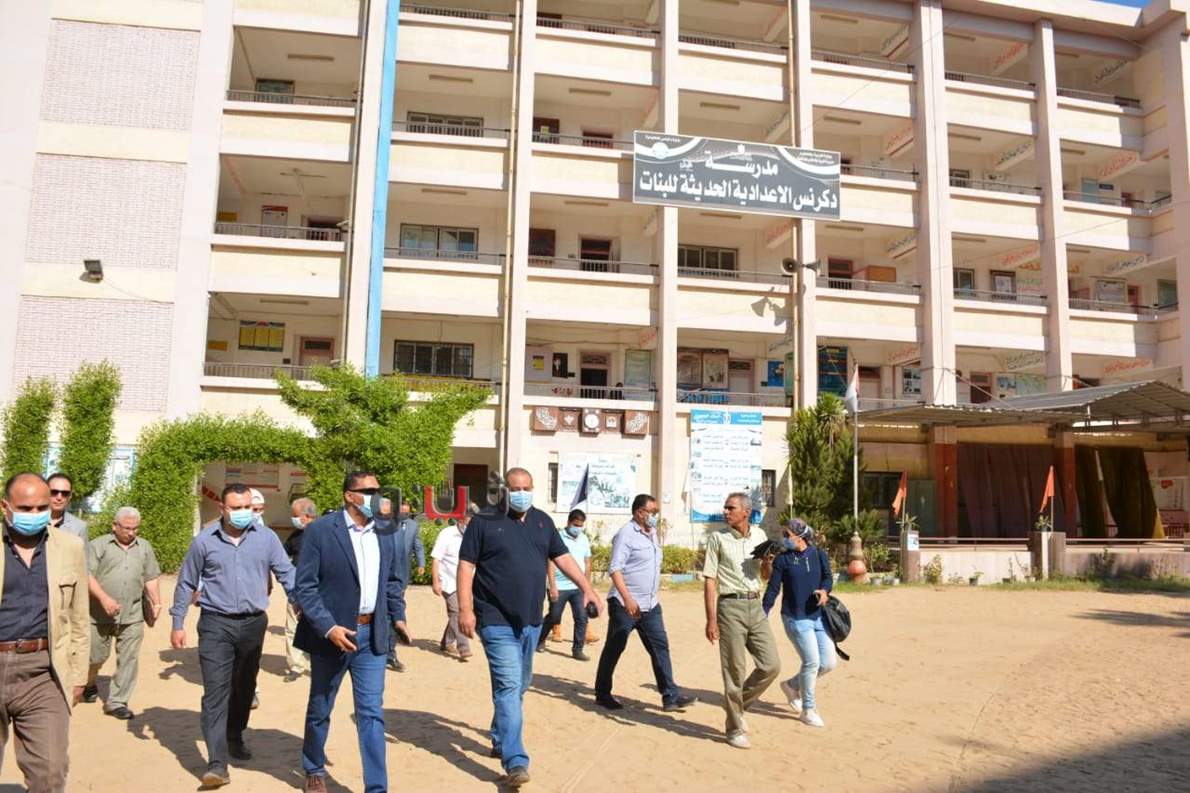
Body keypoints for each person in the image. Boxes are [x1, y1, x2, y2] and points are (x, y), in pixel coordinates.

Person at [457, 467, 604, 788]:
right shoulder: (484, 521)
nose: (521, 493)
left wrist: (588, 588)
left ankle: (499, 736)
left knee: (520, 685)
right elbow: (466, 565)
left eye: (527, 487)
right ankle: (516, 760)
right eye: (515, 488)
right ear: (504, 490)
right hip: (495, 619)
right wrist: (465, 610)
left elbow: (563, 558)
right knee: (509, 686)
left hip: (531, 621)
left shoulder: (542, 521)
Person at [169, 482, 297, 788]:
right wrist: (178, 622)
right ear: (222, 509)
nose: (243, 513)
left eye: (248, 507)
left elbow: (286, 573)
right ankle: (217, 763)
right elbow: (186, 583)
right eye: (237, 508)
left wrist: (301, 602)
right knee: (216, 691)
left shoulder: (266, 539)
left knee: (244, 687)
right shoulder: (204, 542)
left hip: (253, 624)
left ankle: (234, 734)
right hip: (216, 624)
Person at [294, 471, 409, 793]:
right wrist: (328, 627)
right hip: (333, 636)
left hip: (372, 635)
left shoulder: (386, 531)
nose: (376, 496)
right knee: (321, 706)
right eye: (368, 490)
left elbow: (392, 581)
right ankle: (314, 768)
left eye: (378, 489)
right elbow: (305, 587)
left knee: (371, 713)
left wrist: (398, 617)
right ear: (349, 496)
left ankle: (377, 787)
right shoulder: (320, 531)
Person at [0, 472, 88, 792]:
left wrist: (78, 674)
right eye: (26, 509)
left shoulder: (70, 547)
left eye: (41, 508)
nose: (35, 515)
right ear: (5, 507)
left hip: (44, 671)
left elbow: (79, 616)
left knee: (50, 773)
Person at [594, 495, 697, 711]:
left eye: (656, 512)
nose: (655, 516)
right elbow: (615, 569)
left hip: (650, 604)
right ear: (639, 512)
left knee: (660, 647)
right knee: (615, 647)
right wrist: (628, 599)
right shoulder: (625, 534)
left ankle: (670, 696)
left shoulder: (653, 534)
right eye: (652, 512)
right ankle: (602, 694)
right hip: (625, 604)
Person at [702, 491, 780, 749]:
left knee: (771, 665)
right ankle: (734, 729)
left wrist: (768, 563)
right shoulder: (717, 538)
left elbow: (765, 575)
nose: (726, 512)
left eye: (731, 508)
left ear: (746, 512)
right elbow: (710, 581)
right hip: (730, 606)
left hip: (755, 605)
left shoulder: (759, 536)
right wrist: (711, 620)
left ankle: (736, 707)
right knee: (734, 670)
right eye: (725, 508)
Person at [83, 506, 162, 720]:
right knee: (94, 657)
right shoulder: (98, 545)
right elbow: (87, 576)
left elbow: (150, 576)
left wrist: (156, 603)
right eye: (127, 528)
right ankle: (89, 683)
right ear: (114, 526)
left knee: (129, 659)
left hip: (133, 614)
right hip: (98, 614)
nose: (131, 532)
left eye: (135, 528)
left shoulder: (144, 547)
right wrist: (104, 598)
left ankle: (117, 702)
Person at [763, 519, 834, 728]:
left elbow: (828, 578)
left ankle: (791, 686)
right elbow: (773, 589)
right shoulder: (783, 560)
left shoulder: (819, 554)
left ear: (801, 537)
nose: (784, 538)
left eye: (788, 535)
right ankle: (808, 710)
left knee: (828, 663)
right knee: (811, 662)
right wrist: (763, 612)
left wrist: (825, 591)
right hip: (795, 618)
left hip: (818, 616)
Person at [537, 509, 594, 661]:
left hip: (577, 587)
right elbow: (550, 562)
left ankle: (577, 650)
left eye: (581, 525)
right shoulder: (558, 537)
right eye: (576, 525)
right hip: (560, 586)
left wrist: (586, 586)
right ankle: (540, 639)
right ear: (568, 522)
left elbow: (587, 562)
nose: (578, 528)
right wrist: (552, 585)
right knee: (554, 616)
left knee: (581, 617)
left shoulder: (584, 539)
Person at [386, 500, 425, 672]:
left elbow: (418, 545)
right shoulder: (385, 527)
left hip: (400, 574)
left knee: (393, 610)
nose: (404, 515)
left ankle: (390, 652)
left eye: (407, 513)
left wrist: (421, 563)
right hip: (383, 574)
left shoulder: (412, 526)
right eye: (402, 512)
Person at [430, 510, 472, 660]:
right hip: (449, 581)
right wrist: (435, 581)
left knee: (458, 612)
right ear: (461, 521)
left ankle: (446, 641)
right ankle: (464, 647)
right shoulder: (447, 534)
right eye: (468, 523)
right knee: (456, 612)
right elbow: (436, 558)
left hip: (466, 582)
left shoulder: (474, 536)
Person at [283, 498, 317, 681]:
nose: (293, 519)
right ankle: (296, 665)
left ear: (307, 516)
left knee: (319, 626)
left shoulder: (325, 533)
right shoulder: (295, 536)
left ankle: (319, 662)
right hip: (297, 589)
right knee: (292, 628)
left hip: (319, 590)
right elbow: (282, 557)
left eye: (295, 516)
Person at [47, 472, 87, 542]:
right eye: (54, 492)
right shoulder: (31, 521)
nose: (59, 497)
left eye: (65, 493)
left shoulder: (79, 527)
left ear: (70, 496)